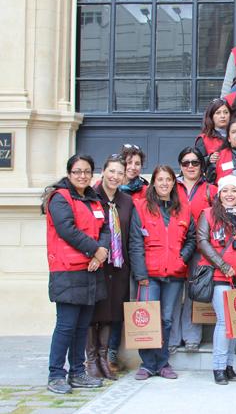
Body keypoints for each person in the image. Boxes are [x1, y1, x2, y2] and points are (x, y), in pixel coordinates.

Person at [43, 154, 110, 394]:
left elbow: (105, 229)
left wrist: (99, 253)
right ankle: (56, 374)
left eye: (86, 171)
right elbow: (67, 230)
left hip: (91, 269)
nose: (82, 175)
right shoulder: (59, 199)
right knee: (66, 325)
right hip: (68, 270)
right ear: (69, 173)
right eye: (77, 171)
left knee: (82, 326)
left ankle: (77, 372)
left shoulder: (94, 199)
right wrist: (96, 250)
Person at [129, 165, 197, 380]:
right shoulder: (140, 207)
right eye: (160, 179)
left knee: (166, 319)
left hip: (174, 273)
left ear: (174, 183)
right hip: (149, 273)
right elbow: (135, 243)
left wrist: (182, 258)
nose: (165, 183)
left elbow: (192, 238)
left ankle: (163, 362)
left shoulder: (183, 209)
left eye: (168, 179)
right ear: (154, 183)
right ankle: (147, 364)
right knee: (149, 318)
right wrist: (140, 275)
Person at [196, 175, 236, 384]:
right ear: (219, 194)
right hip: (219, 276)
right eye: (225, 190)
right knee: (225, 322)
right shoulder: (207, 214)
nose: (229, 194)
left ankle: (229, 366)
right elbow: (202, 242)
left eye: (234, 191)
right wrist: (224, 267)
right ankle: (218, 367)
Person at [87, 155, 139, 381]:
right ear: (103, 171)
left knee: (110, 314)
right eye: (112, 171)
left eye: (120, 172)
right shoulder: (90, 197)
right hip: (95, 264)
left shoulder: (127, 201)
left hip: (119, 266)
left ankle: (104, 358)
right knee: (93, 314)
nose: (115, 176)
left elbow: (133, 238)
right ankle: (91, 360)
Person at [169, 148, 217, 355]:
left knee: (194, 293)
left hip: (200, 249)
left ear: (201, 165)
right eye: (186, 162)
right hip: (174, 246)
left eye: (195, 163)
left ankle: (192, 336)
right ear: (180, 165)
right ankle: (172, 337)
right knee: (172, 293)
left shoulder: (210, 189)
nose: (190, 166)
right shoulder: (171, 187)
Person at [195, 99, 231, 170]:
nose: (222, 116)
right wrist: (209, 159)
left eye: (226, 112)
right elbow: (196, 164)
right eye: (218, 113)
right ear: (211, 116)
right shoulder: (203, 139)